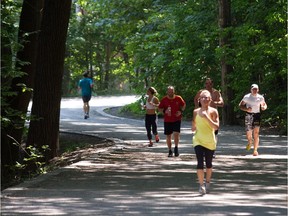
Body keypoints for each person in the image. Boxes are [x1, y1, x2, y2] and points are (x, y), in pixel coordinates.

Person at [192, 90, 219, 195]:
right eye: (202, 97)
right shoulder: (195, 111)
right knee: (199, 162)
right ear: (199, 100)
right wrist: (193, 128)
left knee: (208, 164)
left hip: (210, 141)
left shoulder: (213, 111)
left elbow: (216, 127)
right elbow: (193, 126)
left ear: (210, 99)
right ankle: (201, 185)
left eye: (206, 97)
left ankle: (207, 182)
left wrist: (206, 117)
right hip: (198, 139)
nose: (204, 99)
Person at [194, 78, 224, 158]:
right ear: (205, 84)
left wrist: (214, 102)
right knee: (202, 131)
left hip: (212, 115)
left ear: (212, 84)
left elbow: (222, 103)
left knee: (214, 133)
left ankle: (212, 150)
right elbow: (195, 99)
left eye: (210, 83)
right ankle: (202, 148)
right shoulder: (201, 92)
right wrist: (197, 108)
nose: (208, 85)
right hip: (202, 115)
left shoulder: (216, 92)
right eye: (206, 83)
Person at [238, 84, 267, 156]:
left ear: (258, 90)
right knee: (249, 133)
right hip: (249, 115)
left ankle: (255, 150)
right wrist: (246, 109)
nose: (255, 90)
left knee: (256, 133)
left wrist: (264, 107)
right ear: (251, 90)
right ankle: (250, 141)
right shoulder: (247, 97)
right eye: (253, 89)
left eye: (256, 89)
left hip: (257, 115)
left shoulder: (260, 97)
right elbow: (240, 105)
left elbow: (264, 104)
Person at [158, 86, 186, 157]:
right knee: (168, 135)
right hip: (167, 120)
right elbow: (159, 108)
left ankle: (176, 148)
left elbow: (184, 105)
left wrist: (181, 111)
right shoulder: (164, 99)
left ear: (174, 91)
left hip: (177, 119)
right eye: (169, 91)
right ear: (167, 92)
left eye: (172, 91)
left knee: (176, 134)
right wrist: (164, 111)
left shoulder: (178, 98)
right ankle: (170, 150)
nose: (170, 93)